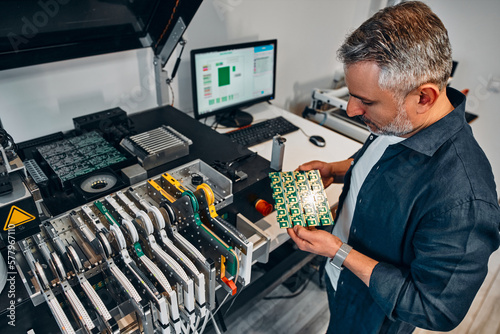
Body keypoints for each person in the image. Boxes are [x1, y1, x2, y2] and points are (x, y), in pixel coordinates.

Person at [287, 2, 500, 333]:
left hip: (373, 313)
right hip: (341, 279)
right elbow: (384, 167)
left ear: (424, 97)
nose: (351, 109)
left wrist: (339, 252)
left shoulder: (466, 201)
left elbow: (436, 309)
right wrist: (337, 168)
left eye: (366, 101)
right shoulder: (399, 122)